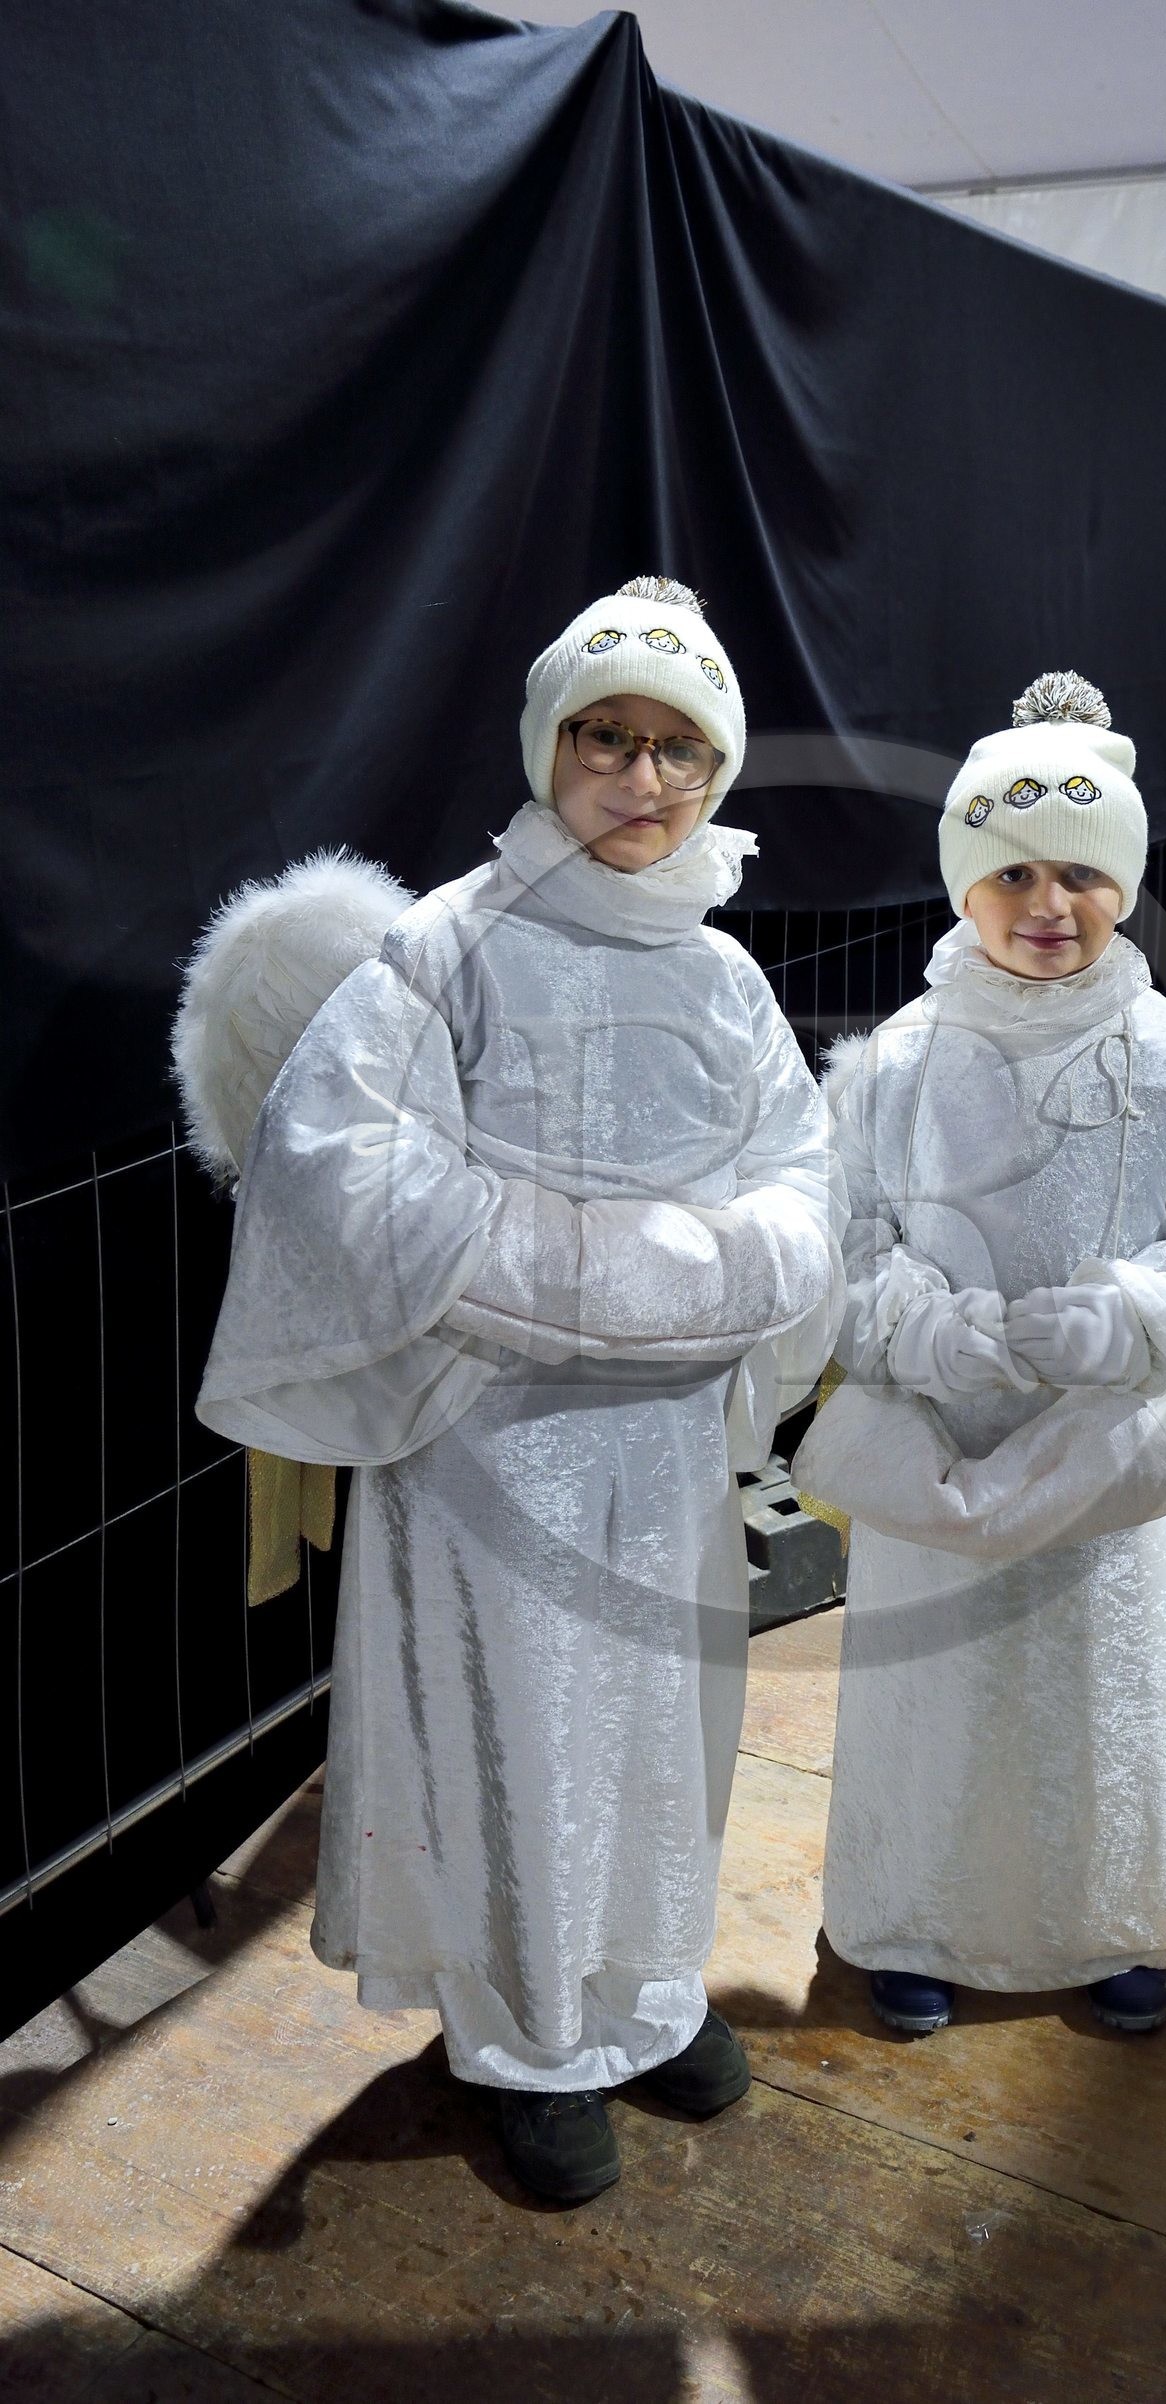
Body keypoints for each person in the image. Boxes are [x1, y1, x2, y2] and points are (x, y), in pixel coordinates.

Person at [187, 575, 841, 2202]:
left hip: (665, 1447)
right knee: (515, 1735)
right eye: (606, 735)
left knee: (662, 1731)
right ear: (552, 742)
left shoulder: (723, 977)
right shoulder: (447, 946)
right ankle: (530, 2034)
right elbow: (340, 1162)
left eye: (677, 746)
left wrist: (691, 1281)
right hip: (493, 1448)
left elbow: (805, 1188)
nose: (640, 775)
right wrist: (585, 1272)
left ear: (717, 774)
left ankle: (644, 1988)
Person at [793, 672, 1166, 2039]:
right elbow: (841, 1244)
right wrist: (926, 1324)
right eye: (1011, 870)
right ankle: (918, 1912)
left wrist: (1133, 1318)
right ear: (965, 880)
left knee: (1104, 1687)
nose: (1047, 904)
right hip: (945, 1439)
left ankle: (1109, 1917)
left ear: (1125, 885)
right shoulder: (899, 1063)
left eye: (1081, 872)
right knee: (940, 1685)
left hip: (1112, 1459)